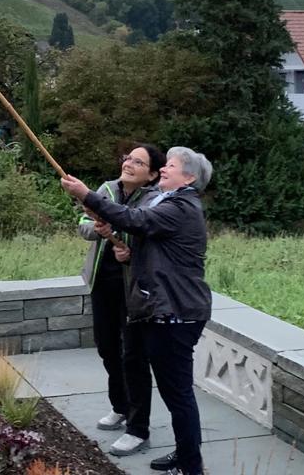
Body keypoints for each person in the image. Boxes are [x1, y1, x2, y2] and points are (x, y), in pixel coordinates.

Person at [62, 146, 213, 475]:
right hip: (163, 310)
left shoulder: (181, 207)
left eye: (170, 166)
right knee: (173, 391)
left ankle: (191, 466)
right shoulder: (170, 202)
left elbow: (134, 219)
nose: (164, 170)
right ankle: (186, 452)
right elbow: (157, 249)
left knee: (178, 394)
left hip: (175, 313)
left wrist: (86, 194)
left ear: (188, 177)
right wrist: (128, 255)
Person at [77, 144, 165, 457]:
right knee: (107, 348)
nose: (128, 163)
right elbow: (83, 225)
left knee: (134, 356)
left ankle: (138, 428)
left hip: (135, 289)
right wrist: (99, 231)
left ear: (152, 174)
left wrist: (125, 244)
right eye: (128, 158)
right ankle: (120, 406)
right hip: (103, 282)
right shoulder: (106, 190)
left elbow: (144, 230)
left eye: (138, 162)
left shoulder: (155, 198)